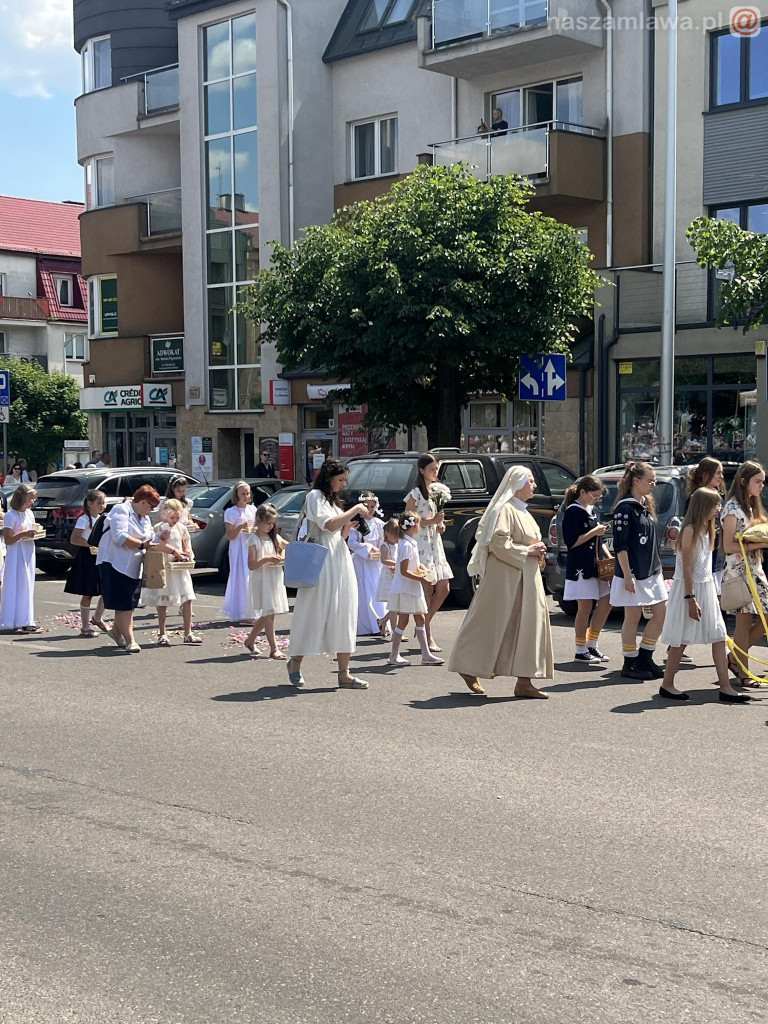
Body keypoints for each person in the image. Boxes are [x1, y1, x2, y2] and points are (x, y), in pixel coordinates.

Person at [448, 465, 553, 698]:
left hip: (527, 576)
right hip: (505, 577)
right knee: (490, 623)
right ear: (517, 484)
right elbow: (498, 544)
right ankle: (468, 667)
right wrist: (528, 550)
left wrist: (538, 551)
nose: (534, 485)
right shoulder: (505, 509)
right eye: (531, 481)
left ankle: (524, 681)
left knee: (530, 626)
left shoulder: (523, 510)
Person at [660, 488, 751, 703]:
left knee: (719, 636)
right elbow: (687, 568)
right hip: (689, 589)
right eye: (715, 505)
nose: (718, 509)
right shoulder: (690, 530)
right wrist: (691, 598)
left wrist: (712, 592)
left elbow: (705, 566)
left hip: (706, 587)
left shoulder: (708, 530)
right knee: (680, 639)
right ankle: (667, 683)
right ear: (703, 507)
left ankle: (726, 687)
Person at [287, 458, 370, 690]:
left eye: (345, 480)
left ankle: (344, 673)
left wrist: (349, 525)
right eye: (340, 479)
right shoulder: (315, 497)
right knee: (314, 611)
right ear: (329, 477)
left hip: (338, 558)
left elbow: (338, 534)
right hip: (320, 560)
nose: (343, 484)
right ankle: (295, 663)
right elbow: (327, 526)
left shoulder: (332, 501)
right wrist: (353, 510)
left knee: (344, 611)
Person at [611, 461, 667, 681]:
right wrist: (627, 575)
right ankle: (630, 661)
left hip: (651, 570)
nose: (653, 484)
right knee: (632, 617)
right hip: (633, 571)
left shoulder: (645, 504)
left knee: (661, 613)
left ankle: (646, 655)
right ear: (636, 481)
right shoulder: (625, 508)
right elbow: (621, 546)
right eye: (650, 480)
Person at [720, 460, 768, 688]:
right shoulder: (731, 508)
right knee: (743, 621)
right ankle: (743, 671)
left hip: (755, 570)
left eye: (763, 482)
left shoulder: (751, 506)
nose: (761, 487)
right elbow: (727, 546)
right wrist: (754, 546)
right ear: (743, 481)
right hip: (738, 572)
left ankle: (735, 659)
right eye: (757, 482)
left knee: (766, 617)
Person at [97, 485, 160, 653]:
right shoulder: (121, 509)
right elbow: (119, 537)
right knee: (124, 605)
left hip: (133, 565)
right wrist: (141, 544)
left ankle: (116, 632)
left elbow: (151, 535)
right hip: (114, 563)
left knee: (129, 603)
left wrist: (160, 538)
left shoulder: (144, 517)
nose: (152, 510)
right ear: (143, 502)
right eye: (151, 506)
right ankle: (130, 640)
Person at [404, 454, 453, 652]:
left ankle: (423, 624)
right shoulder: (416, 493)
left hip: (434, 543)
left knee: (444, 587)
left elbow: (436, 520)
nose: (435, 472)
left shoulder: (436, 492)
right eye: (432, 469)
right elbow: (408, 521)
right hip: (421, 544)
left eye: (437, 469)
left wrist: (439, 525)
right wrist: (430, 522)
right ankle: (427, 633)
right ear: (422, 470)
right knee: (427, 589)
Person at [562, 475, 612, 663]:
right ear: (582, 492)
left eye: (599, 496)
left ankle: (593, 644)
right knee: (585, 606)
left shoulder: (594, 510)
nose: (597, 499)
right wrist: (594, 532)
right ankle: (580, 648)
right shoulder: (573, 512)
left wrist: (608, 557)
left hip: (597, 564)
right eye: (594, 495)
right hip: (581, 565)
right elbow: (572, 542)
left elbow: (600, 539)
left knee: (607, 602)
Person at [388, 513, 444, 667]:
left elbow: (412, 565)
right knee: (404, 620)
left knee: (420, 618)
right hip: (406, 587)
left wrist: (421, 568)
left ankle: (425, 654)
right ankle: (394, 655)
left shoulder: (410, 543)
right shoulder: (406, 545)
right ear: (414, 526)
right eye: (418, 524)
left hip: (412, 587)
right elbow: (404, 570)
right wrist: (422, 578)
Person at [145, 499, 202, 646]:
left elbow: (187, 544)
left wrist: (188, 553)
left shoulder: (181, 528)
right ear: (164, 514)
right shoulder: (158, 527)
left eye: (177, 517)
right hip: (166, 567)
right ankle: (162, 633)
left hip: (179, 568)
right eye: (172, 518)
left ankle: (188, 632)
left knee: (187, 599)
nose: (175, 520)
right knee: (163, 601)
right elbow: (157, 545)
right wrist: (169, 545)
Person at [63, 488, 111, 637]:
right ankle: (85, 626)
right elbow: (74, 539)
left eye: (104, 503)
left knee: (106, 589)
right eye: (99, 503)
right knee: (88, 592)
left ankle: (97, 617)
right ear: (89, 504)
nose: (102, 506)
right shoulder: (83, 519)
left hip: (103, 556)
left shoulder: (105, 519)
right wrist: (91, 544)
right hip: (88, 557)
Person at [243, 503, 288, 659]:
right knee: (268, 612)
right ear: (258, 520)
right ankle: (274, 648)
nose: (270, 526)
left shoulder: (274, 537)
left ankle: (250, 640)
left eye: (272, 524)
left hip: (274, 577)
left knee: (270, 612)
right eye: (268, 523)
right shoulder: (253, 540)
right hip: (262, 578)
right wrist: (266, 558)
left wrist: (281, 555)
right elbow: (251, 565)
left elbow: (287, 547)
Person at [0, 484, 41, 633]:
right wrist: (24, 534)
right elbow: (8, 540)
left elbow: (31, 530)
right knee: (17, 585)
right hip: (16, 553)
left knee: (28, 585)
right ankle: (14, 620)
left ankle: (26, 619)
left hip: (28, 551)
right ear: (22, 498)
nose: (32, 502)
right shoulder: (11, 515)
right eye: (30, 499)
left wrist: (35, 533)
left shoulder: (29, 513)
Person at [348, 490, 388, 637]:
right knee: (364, 592)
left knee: (377, 590)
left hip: (376, 563)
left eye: (372, 506)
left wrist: (381, 550)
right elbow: (352, 543)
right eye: (367, 506)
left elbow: (384, 541)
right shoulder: (357, 525)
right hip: (362, 562)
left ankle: (381, 621)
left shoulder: (380, 524)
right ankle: (366, 624)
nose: (370, 510)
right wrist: (367, 548)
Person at [222, 481, 257, 623]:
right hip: (238, 548)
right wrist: (240, 527)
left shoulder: (253, 510)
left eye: (248, 493)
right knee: (241, 578)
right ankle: (241, 612)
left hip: (250, 547)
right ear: (236, 495)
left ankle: (252, 611)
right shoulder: (231, 512)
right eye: (243, 493)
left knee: (251, 578)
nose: (246, 496)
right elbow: (229, 536)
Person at [375, 518, 400, 640]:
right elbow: (384, 560)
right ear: (387, 533)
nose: (397, 539)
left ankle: (382, 621)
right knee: (394, 605)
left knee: (397, 605)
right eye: (395, 536)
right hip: (388, 576)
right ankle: (396, 632)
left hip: (397, 576)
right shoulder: (385, 546)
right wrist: (395, 563)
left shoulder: (398, 545)